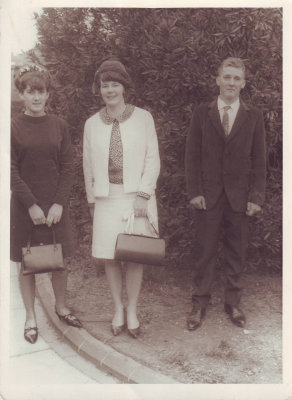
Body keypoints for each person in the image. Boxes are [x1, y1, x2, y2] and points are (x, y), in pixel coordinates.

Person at [185, 57, 266, 330]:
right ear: (217, 80)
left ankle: (233, 303)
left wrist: (256, 197)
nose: (230, 82)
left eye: (236, 78)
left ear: (243, 84)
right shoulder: (202, 113)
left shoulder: (253, 116)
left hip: (240, 198)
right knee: (205, 250)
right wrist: (195, 191)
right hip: (208, 195)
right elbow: (192, 155)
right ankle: (199, 302)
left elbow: (259, 160)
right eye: (226, 77)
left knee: (236, 251)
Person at [83, 60, 160, 338]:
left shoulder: (143, 118)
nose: (110, 90)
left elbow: (152, 158)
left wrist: (142, 195)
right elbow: (87, 165)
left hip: (135, 198)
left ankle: (132, 311)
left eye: (115, 84)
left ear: (125, 87)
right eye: (105, 85)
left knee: (135, 255)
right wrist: (92, 201)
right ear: (99, 89)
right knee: (111, 258)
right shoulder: (92, 124)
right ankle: (117, 309)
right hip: (106, 198)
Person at [11, 64, 82, 344]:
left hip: (55, 206)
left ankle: (61, 307)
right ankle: (30, 317)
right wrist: (31, 204)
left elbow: (68, 167)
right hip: (25, 206)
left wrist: (58, 204)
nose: (36, 98)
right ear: (22, 95)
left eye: (41, 92)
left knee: (60, 260)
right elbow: (10, 169)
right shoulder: (13, 127)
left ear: (48, 94)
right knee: (26, 263)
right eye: (30, 92)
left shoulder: (59, 125)